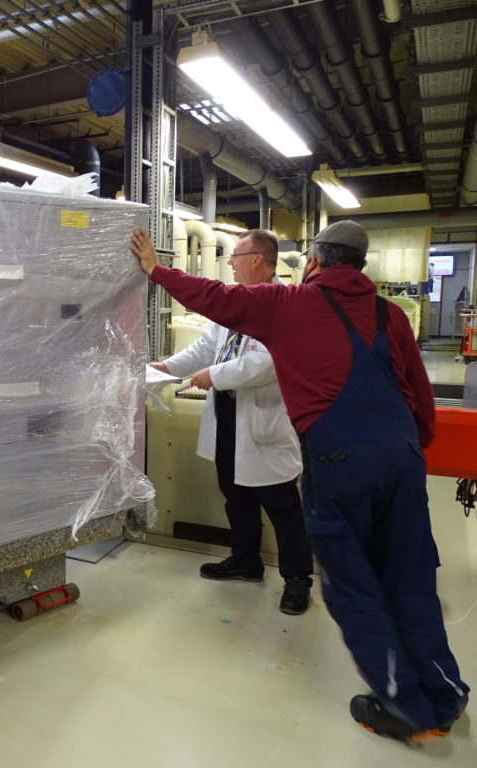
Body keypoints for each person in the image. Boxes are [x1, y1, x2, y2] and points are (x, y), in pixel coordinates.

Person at [130, 221, 468, 743]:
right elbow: (419, 393)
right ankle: (445, 696)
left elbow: (213, 296)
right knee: (409, 574)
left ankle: (407, 708)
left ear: (313, 262)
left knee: (353, 581)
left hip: (340, 458)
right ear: (360, 265)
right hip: (401, 457)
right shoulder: (391, 314)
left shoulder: (289, 304)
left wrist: (157, 270)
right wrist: (410, 447)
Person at [150, 230, 313, 615]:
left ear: (257, 259)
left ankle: (297, 579)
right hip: (228, 414)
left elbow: (270, 361)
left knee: (282, 505)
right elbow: (208, 346)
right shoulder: (236, 303)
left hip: (264, 419)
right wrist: (168, 368)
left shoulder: (287, 304)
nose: (229, 262)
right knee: (235, 495)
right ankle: (245, 561)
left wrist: (215, 376)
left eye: (236, 256)